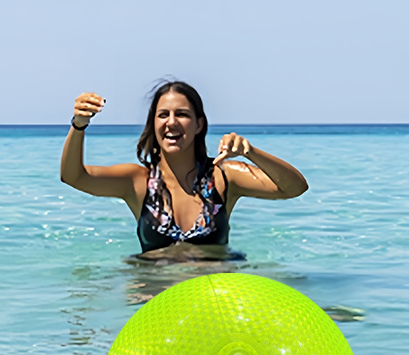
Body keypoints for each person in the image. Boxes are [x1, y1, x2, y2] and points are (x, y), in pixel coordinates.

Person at [59, 81, 307, 260]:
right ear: (153, 124)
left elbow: (295, 188)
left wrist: (251, 152)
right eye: (163, 115)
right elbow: (74, 177)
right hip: (156, 298)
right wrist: (79, 125)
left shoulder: (224, 176)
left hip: (214, 292)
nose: (171, 122)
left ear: (199, 125)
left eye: (182, 114)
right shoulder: (138, 181)